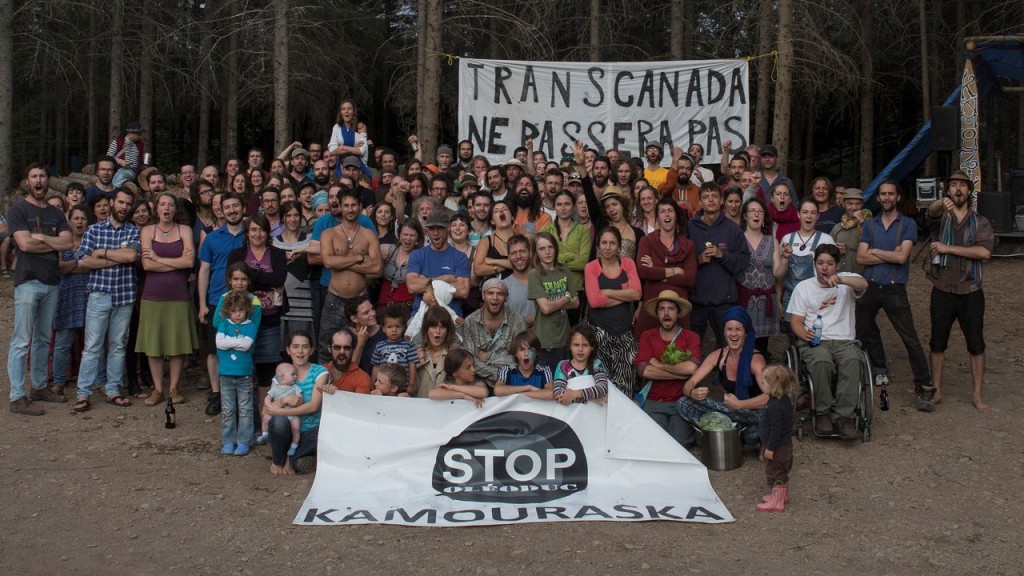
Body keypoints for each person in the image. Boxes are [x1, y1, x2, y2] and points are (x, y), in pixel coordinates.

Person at [854, 181, 932, 411]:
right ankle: (850, 379)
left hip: (894, 288)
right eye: (883, 194)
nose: (887, 197)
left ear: (898, 197)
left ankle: (924, 387)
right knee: (856, 333)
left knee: (910, 338)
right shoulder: (870, 224)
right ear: (878, 198)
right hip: (870, 286)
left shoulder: (907, 224)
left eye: (891, 194)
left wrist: (875, 251)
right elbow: (861, 258)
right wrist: (890, 254)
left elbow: (903, 258)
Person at [924, 170, 994, 412]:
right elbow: (930, 212)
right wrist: (939, 202)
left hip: (971, 290)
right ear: (948, 190)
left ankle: (977, 395)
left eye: (962, 185)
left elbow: (984, 252)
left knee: (976, 345)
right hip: (942, 288)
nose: (958, 189)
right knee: (937, 343)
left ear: (969, 191)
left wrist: (948, 248)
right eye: (953, 185)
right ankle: (937, 391)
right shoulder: (941, 218)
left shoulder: (980, 222)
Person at [7, 163, 72, 415]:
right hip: (28, 281)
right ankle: (17, 396)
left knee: (43, 338)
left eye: (43, 176)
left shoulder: (56, 213)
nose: (39, 180)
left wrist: (41, 238)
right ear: (27, 181)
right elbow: (24, 244)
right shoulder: (18, 209)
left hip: (52, 282)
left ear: (48, 180)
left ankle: (39, 386)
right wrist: (53, 242)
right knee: (22, 340)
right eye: (34, 176)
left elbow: (68, 242)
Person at [788, 244, 868, 440]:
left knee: (852, 361)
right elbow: (795, 321)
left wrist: (840, 280)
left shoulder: (847, 282)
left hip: (844, 340)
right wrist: (803, 334)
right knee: (821, 361)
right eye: (820, 263)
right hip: (816, 340)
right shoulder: (803, 287)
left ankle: (844, 416)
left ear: (837, 265)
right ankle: (822, 412)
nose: (824, 267)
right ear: (814, 264)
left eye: (830, 263)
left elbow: (864, 284)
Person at [72, 188, 142, 412]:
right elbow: (82, 261)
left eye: (128, 204)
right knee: (92, 346)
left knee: (118, 345)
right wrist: (117, 257)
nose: (124, 207)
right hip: (99, 294)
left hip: (125, 296)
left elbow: (132, 256)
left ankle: (113, 389)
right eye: (121, 202)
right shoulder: (94, 229)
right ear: (112, 202)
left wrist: (101, 252)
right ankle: (83, 392)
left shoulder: (134, 231)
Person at [136, 192, 197, 406]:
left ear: (175, 209)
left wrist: (158, 258)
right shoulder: (147, 231)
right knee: (153, 343)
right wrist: (176, 261)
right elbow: (147, 265)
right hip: (152, 295)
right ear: (157, 208)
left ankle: (173, 388)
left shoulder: (185, 230)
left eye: (171, 205)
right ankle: (158, 389)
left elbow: (189, 262)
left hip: (178, 294)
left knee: (176, 343)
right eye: (162, 204)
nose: (167, 208)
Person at [677, 306, 768, 446]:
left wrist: (740, 404)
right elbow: (688, 385)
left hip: (754, 414)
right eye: (729, 329)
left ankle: (729, 432)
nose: (733, 334)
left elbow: (770, 397)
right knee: (683, 403)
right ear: (724, 332)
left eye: (738, 329)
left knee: (759, 428)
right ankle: (722, 429)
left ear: (746, 332)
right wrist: (692, 392)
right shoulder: (718, 355)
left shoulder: (755, 360)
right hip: (730, 412)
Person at [318, 188, 382, 362]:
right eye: (346, 205)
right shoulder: (329, 234)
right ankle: (324, 380)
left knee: (363, 346)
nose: (350, 209)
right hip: (334, 299)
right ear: (340, 206)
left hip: (360, 300)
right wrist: (359, 258)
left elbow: (377, 268)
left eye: (353, 205)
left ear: (360, 206)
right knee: (327, 348)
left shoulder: (369, 235)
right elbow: (328, 262)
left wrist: (342, 262)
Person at [198, 191, 247, 415]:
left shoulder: (252, 233)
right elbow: (204, 270)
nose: (232, 211)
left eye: (235, 206)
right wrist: (202, 304)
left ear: (242, 207)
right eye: (227, 207)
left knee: (243, 346)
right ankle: (216, 393)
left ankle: (242, 393)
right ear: (221, 211)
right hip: (217, 300)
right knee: (214, 349)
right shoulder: (212, 238)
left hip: (246, 302)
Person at [228, 213, 288, 390]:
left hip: (270, 320)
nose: (257, 234)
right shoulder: (236, 254)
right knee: (243, 370)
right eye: (253, 230)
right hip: (242, 320)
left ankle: (264, 406)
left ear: (268, 232)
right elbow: (232, 282)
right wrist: (266, 280)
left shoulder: (277, 253)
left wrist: (250, 274)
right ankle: (246, 406)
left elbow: (279, 279)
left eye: (262, 230)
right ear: (247, 232)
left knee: (266, 372)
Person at [686, 183, 751, 349]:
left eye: (714, 196)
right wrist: (698, 260)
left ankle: (724, 367)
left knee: (727, 348)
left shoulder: (732, 228)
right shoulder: (689, 227)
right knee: (691, 349)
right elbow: (682, 260)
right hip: (695, 301)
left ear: (721, 200)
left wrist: (722, 255)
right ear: (699, 201)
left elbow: (744, 259)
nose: (711, 200)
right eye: (706, 197)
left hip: (723, 301)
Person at [634, 291, 702, 447]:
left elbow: (692, 368)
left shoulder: (691, 337)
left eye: (671, 309)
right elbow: (644, 371)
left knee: (679, 444)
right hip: (653, 400)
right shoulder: (647, 336)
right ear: (657, 314)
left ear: (678, 313)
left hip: (681, 401)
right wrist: (680, 374)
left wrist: (658, 365)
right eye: (662, 309)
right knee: (654, 443)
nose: (666, 313)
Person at [584, 226, 641, 397]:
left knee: (626, 382)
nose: (608, 247)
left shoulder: (628, 264)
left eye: (612, 243)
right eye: (604, 243)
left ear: (619, 246)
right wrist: (625, 295)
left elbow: (637, 294)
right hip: (599, 333)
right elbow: (594, 301)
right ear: (598, 245)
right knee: (600, 382)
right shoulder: (591, 267)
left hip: (624, 332)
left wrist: (607, 292)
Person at [264, 331, 329, 475]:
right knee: (279, 422)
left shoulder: (320, 372)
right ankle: (279, 460)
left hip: (310, 430)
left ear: (311, 350)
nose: (300, 351)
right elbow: (268, 409)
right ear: (288, 350)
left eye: (305, 347)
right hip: (287, 430)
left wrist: (281, 410)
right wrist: (285, 400)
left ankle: (290, 459)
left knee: (325, 430)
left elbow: (313, 406)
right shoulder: (280, 375)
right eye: (295, 346)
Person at [51, 205, 99, 396]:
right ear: (69, 222)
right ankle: (59, 381)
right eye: (76, 218)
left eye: (83, 218)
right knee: (62, 343)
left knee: (92, 342)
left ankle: (95, 381)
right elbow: (60, 268)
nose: (80, 222)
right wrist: (81, 262)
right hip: (66, 296)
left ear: (88, 221)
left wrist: (74, 265)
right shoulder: (63, 242)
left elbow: (92, 267)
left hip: (89, 294)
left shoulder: (94, 240)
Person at [634, 197, 697, 338]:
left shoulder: (687, 245)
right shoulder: (647, 241)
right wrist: (674, 271)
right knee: (647, 346)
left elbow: (690, 279)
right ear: (657, 218)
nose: (667, 214)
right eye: (662, 211)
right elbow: (643, 271)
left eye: (670, 210)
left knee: (678, 349)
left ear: (676, 216)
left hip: (679, 309)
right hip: (652, 307)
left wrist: (657, 274)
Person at [214, 290, 259, 456]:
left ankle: (244, 441)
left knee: (245, 409)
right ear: (228, 311)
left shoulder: (251, 326)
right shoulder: (224, 324)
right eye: (233, 311)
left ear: (247, 310)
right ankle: (228, 441)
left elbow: (246, 345)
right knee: (228, 409)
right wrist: (238, 342)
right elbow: (219, 343)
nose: (237, 314)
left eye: (240, 310)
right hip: (225, 374)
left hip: (244, 374)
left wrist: (229, 342)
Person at [738, 197, 784, 354]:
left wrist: (785, 259)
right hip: (744, 301)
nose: (756, 214)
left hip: (766, 302)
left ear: (764, 217)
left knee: (762, 349)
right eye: (752, 211)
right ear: (745, 216)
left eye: (760, 211)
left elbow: (778, 275)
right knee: (741, 346)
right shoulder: (737, 239)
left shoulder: (772, 241)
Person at [462, 278, 527, 388]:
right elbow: (470, 362)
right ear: (483, 296)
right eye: (490, 293)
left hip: (510, 384)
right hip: (478, 382)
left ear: (506, 297)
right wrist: (501, 374)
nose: (495, 298)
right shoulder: (470, 322)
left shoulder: (518, 321)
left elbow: (521, 359)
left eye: (500, 294)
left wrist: (487, 357)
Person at [780, 198, 835, 327]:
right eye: (805, 212)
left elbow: (833, 272)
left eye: (813, 212)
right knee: (793, 334)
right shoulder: (787, 239)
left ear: (818, 216)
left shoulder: (826, 239)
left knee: (815, 333)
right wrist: (778, 300)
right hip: (791, 298)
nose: (809, 216)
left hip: (816, 298)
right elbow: (779, 276)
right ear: (798, 214)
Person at [528, 232, 578, 371]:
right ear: (536, 252)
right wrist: (566, 297)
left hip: (565, 337)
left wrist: (553, 302)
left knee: (565, 378)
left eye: (550, 247)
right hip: (545, 339)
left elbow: (576, 303)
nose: (547, 252)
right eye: (542, 248)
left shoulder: (565, 270)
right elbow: (546, 308)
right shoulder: (534, 274)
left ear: (556, 248)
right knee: (547, 380)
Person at [407, 210, 471, 317]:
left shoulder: (460, 257)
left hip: (451, 318)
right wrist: (445, 279)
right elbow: (412, 286)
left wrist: (425, 281)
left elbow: (463, 291)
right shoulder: (417, 255)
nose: (435, 233)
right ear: (427, 231)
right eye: (431, 229)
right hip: (421, 316)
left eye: (439, 228)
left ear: (448, 228)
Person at [540, 190, 590, 323]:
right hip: (551, 287)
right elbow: (542, 260)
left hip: (576, 288)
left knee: (574, 329)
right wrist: (571, 256)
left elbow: (584, 262)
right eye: (559, 204)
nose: (563, 208)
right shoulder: (546, 230)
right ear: (554, 207)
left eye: (567, 204)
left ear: (573, 206)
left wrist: (555, 260)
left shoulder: (583, 230)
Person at [755, 365, 797, 513]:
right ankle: (781, 496)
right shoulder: (783, 400)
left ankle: (777, 502)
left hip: (777, 448)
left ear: (774, 386)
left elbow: (776, 429)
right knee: (780, 472)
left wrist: (770, 448)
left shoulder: (775, 406)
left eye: (764, 383)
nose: (761, 385)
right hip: (784, 446)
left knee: (776, 472)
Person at [273, 201, 314, 339]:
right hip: (280, 303)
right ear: (282, 218)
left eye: (296, 215)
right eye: (288, 215)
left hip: (304, 304)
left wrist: (303, 251)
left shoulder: (309, 240)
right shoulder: (273, 242)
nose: (293, 219)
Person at [552, 324, 610, 405]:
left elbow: (602, 388)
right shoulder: (563, 365)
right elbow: (558, 394)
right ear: (570, 346)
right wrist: (590, 398)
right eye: (576, 345)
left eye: (585, 345)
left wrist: (575, 394)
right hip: (570, 412)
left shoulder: (596, 364)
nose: (580, 349)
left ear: (592, 347)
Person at [255, 363, 303, 455]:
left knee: (296, 427)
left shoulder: (295, 387)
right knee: (265, 418)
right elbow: (268, 397)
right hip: (277, 414)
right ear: (282, 377)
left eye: (296, 374)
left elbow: (299, 398)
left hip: (292, 413)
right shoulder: (275, 388)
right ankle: (264, 434)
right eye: (293, 374)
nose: (295, 376)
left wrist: (297, 399)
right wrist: (268, 404)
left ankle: (294, 445)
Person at [412, 305, 457, 398]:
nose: (438, 331)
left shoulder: (455, 353)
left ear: (448, 330)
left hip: (447, 405)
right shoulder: (414, 352)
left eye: (442, 327)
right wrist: (414, 362)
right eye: (433, 326)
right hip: (419, 404)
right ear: (426, 329)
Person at [493, 331, 554, 399]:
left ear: (537, 352)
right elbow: (498, 390)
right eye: (522, 349)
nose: (526, 353)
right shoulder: (508, 370)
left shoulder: (544, 370)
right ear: (515, 353)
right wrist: (529, 388)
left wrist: (520, 395)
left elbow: (550, 393)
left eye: (530, 350)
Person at [378, 218, 422, 312]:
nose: (408, 238)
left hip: (406, 309)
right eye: (405, 234)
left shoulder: (421, 257)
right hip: (383, 306)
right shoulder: (388, 250)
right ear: (399, 235)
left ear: (418, 237)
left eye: (412, 235)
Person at [370, 304, 419, 385]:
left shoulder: (409, 346)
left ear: (403, 327)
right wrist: (372, 383)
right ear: (383, 328)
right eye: (389, 327)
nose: (394, 330)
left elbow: (412, 365)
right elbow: (376, 367)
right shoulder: (379, 346)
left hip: (403, 388)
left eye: (398, 326)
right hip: (383, 388)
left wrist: (411, 384)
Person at [323, 327, 372, 394]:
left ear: (353, 350)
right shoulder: (319, 371)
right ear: (329, 349)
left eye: (347, 348)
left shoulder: (362, 378)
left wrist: (336, 394)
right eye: (337, 347)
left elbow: (360, 401)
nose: (342, 352)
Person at [830, 187, 869, 274]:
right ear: (844, 204)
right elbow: (827, 251)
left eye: (858, 204)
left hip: (861, 275)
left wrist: (862, 222)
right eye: (850, 203)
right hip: (839, 275)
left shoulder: (870, 224)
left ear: (862, 205)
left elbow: (875, 245)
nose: (854, 207)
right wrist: (835, 249)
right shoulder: (837, 227)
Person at [106, 122, 145, 187]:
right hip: (115, 169)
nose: (140, 136)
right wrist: (120, 161)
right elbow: (108, 157)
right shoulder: (118, 142)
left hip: (131, 171)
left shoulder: (140, 144)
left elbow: (140, 161)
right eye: (138, 134)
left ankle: (115, 190)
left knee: (123, 173)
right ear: (130, 134)